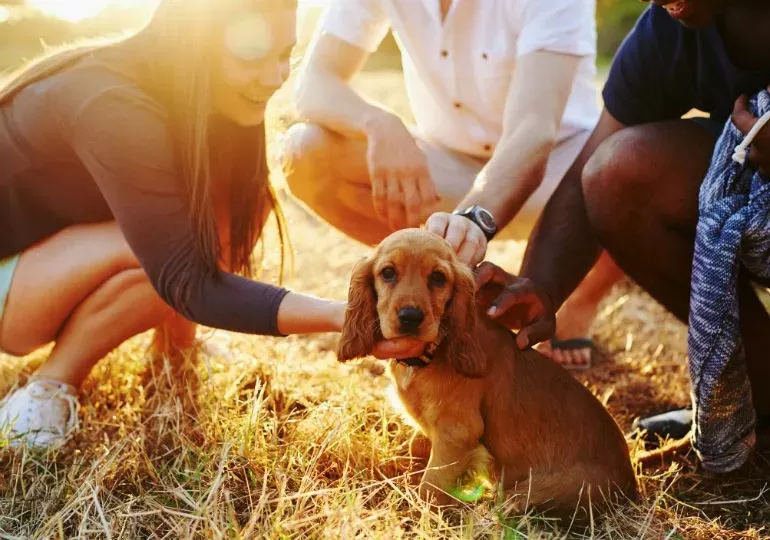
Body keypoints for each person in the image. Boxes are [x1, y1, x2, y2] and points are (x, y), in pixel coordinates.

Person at [0, 0, 412, 450]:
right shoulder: (111, 102)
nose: (277, 76)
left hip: (41, 270)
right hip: (11, 291)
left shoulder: (207, 97)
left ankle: (175, 352)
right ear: (192, 46)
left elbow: (222, 235)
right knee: (177, 248)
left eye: (284, 55)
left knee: (208, 231)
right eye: (253, 57)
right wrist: (345, 316)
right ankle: (45, 393)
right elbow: (190, 276)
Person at [474, 0, 770, 471]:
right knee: (618, 171)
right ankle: (762, 397)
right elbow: (589, 171)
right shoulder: (670, 26)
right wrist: (541, 287)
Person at [281, 0, 624, 368]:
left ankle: (580, 297)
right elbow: (313, 84)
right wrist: (378, 123)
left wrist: (473, 220)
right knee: (306, 152)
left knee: (620, 169)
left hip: (559, 170)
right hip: (446, 164)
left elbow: (533, 132)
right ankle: (431, 295)